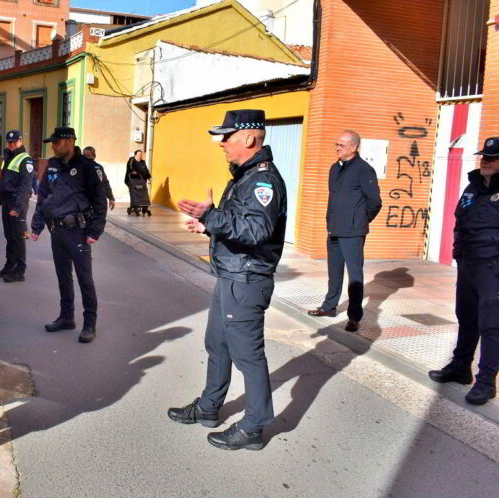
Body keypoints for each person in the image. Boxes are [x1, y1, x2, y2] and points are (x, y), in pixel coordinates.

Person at [168, 109, 287, 451]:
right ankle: (209, 407)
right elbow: (238, 224)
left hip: (247, 279)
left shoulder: (263, 181)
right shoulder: (244, 176)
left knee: (248, 355)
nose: (221, 143)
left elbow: (257, 230)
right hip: (231, 275)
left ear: (249, 138)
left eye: (227, 136)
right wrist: (208, 225)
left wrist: (211, 216)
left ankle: (254, 426)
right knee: (217, 344)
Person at [429, 137, 499, 405]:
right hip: (468, 263)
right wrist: (458, 252)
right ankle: (461, 367)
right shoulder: (473, 186)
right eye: (483, 156)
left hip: (493, 267)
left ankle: (486, 381)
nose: (485, 161)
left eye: (492, 157)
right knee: (467, 317)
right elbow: (460, 220)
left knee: (491, 325)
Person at [30, 126, 107, 343]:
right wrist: (37, 226)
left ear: (70, 142)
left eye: (57, 142)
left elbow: (99, 201)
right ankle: (66, 317)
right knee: (63, 276)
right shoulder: (52, 165)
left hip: (78, 232)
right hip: (57, 230)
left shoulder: (86, 167)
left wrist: (94, 231)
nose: (53, 147)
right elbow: (43, 196)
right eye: (52, 143)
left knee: (84, 279)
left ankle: (89, 324)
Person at [307, 130, 382, 332]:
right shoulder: (334, 168)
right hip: (334, 230)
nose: (337, 148)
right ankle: (329, 307)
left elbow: (375, 202)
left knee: (355, 276)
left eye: (341, 145)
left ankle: (354, 317)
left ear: (354, 147)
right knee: (334, 272)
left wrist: (359, 221)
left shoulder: (364, 170)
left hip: (353, 233)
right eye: (336, 144)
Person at [0, 130, 34, 282]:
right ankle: (10, 265)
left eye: (14, 142)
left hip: (18, 203)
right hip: (7, 201)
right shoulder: (8, 157)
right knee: (9, 236)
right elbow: (3, 181)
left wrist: (17, 208)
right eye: (9, 142)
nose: (11, 144)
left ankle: (20, 271)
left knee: (18, 237)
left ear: (20, 141)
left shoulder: (26, 160)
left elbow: (25, 186)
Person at [82, 146, 116, 210]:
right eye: (83, 156)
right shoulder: (80, 168)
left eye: (88, 156)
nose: (85, 158)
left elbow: (105, 183)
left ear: (93, 156)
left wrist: (111, 198)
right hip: (85, 201)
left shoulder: (98, 167)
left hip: (98, 201)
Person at [125, 149, 151, 216]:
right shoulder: (132, 160)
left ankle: (143, 205)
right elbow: (130, 166)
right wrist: (132, 171)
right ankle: (134, 206)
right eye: (138, 155)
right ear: (135, 155)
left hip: (141, 181)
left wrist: (149, 176)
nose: (140, 156)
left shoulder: (143, 162)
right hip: (132, 180)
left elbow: (146, 170)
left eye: (141, 155)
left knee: (142, 192)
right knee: (133, 193)